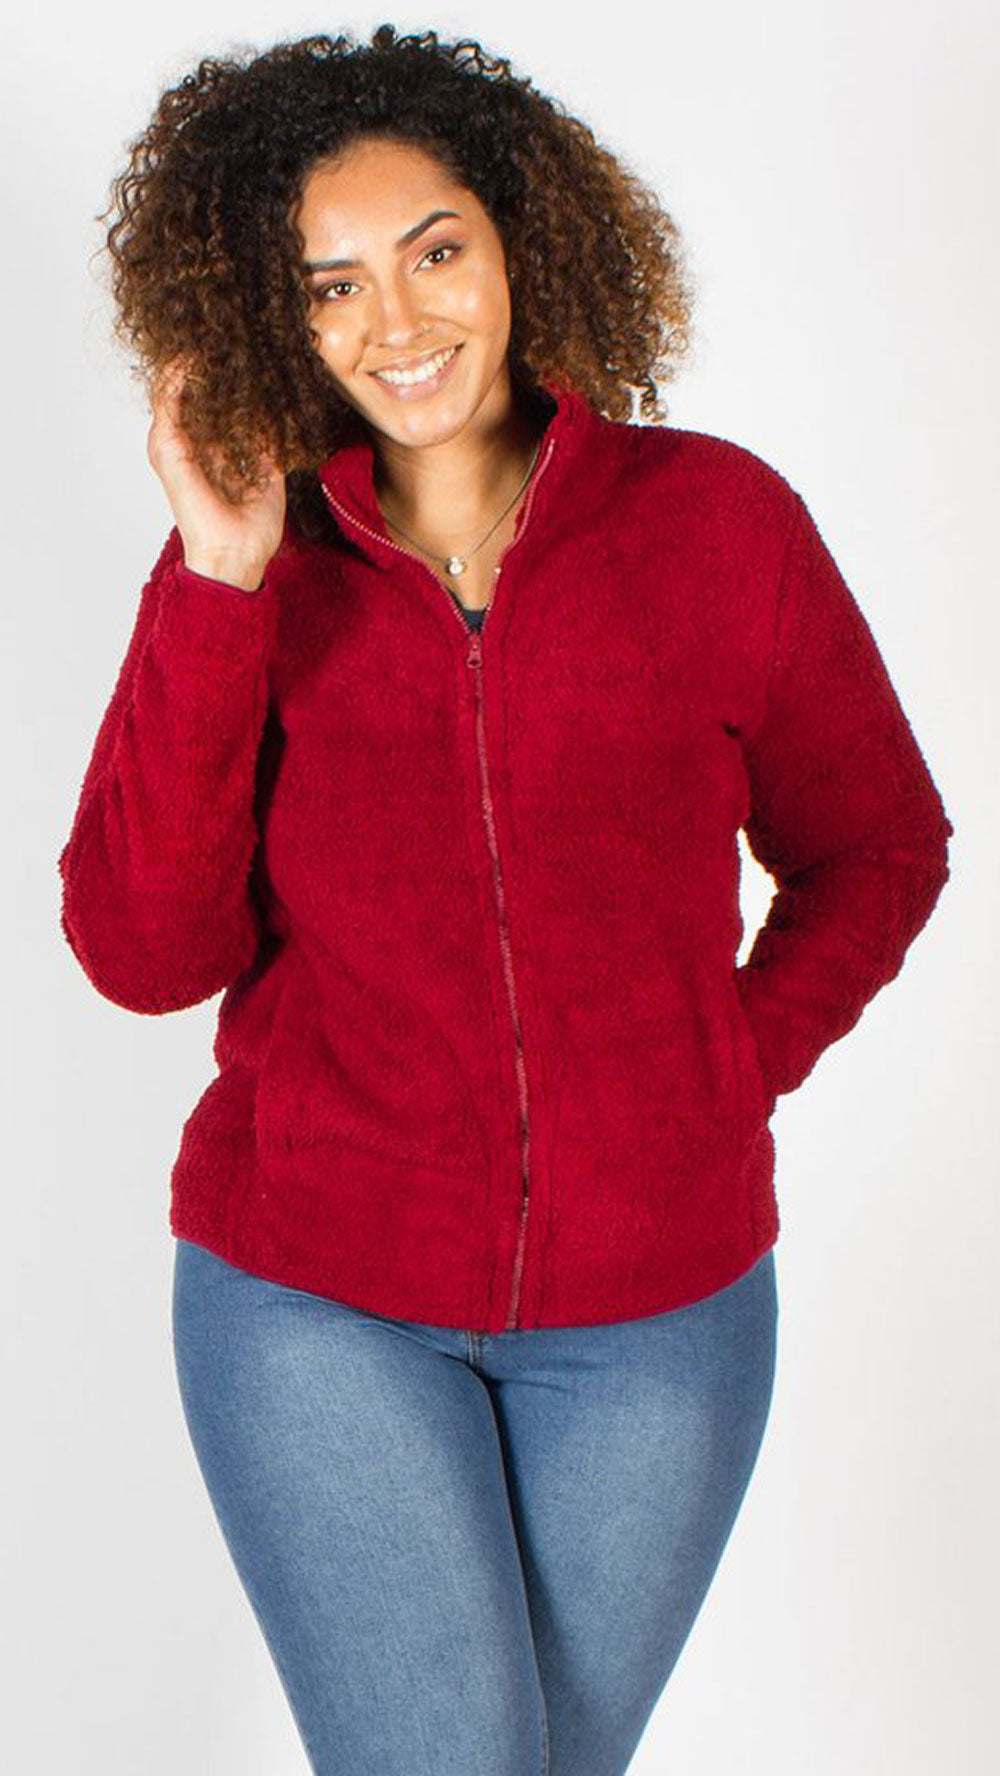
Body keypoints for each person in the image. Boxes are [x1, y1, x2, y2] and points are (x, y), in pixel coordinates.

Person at [56, 24, 954, 1776]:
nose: (395, 322)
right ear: (278, 322)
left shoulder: (718, 527)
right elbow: (145, 955)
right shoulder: (252, 569)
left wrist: (725, 1070)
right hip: (315, 1297)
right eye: (331, 287)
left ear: (521, 242)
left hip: (660, 1320)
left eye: (435, 252)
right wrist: (221, 577)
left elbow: (880, 845)